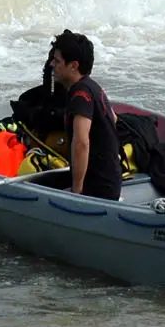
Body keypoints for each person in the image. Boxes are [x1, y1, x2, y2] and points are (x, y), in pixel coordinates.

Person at [47, 29, 122, 201]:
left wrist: (77, 190)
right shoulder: (92, 87)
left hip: (97, 189)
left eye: (57, 61)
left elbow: (81, 142)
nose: (52, 64)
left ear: (73, 65)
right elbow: (114, 118)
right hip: (110, 181)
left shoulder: (80, 95)